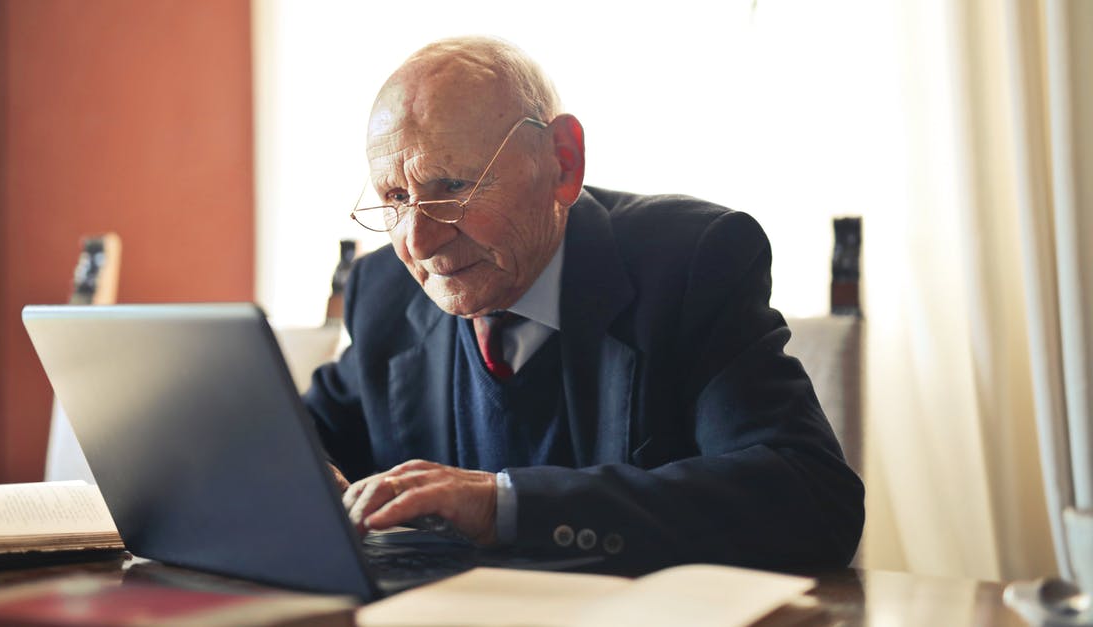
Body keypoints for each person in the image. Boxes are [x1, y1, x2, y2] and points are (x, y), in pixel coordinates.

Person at [304, 36, 864, 575]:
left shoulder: (692, 263)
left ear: (563, 163)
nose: (418, 242)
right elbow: (302, 435)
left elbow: (809, 498)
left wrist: (501, 504)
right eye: (397, 198)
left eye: (451, 185)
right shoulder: (385, 291)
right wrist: (301, 478)